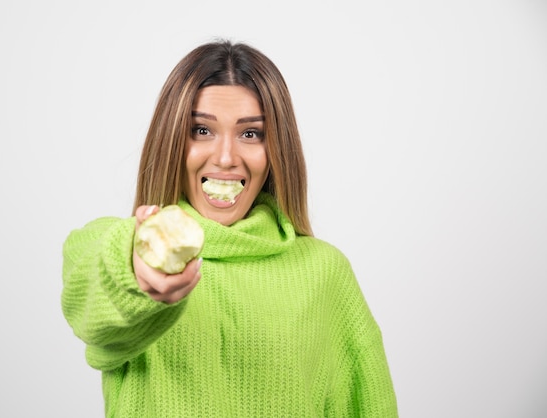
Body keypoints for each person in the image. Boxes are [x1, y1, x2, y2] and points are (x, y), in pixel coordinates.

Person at [62, 39, 398, 417]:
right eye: (201, 131)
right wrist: (136, 272)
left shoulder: (325, 272)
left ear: (277, 151)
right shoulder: (124, 246)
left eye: (250, 134)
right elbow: (90, 294)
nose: (225, 158)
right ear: (171, 141)